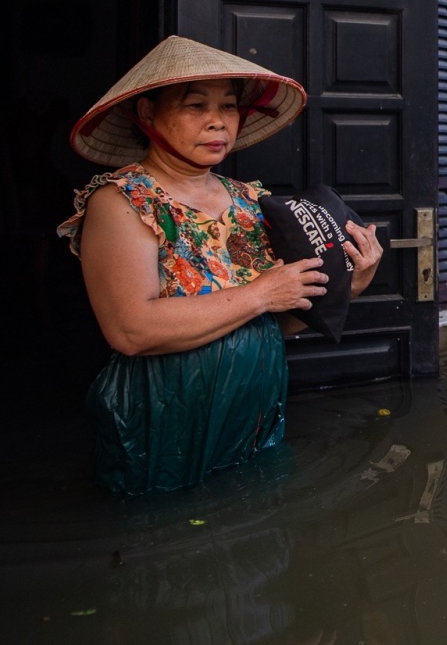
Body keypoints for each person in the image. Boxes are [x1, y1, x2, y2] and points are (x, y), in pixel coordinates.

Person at [58, 36, 383, 494]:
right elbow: (130, 330)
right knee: (160, 538)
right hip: (163, 409)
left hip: (252, 403)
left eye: (229, 107)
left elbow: (277, 322)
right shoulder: (124, 202)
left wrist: (350, 285)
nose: (217, 121)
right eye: (196, 106)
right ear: (148, 114)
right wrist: (260, 293)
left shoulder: (251, 201)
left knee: (255, 525)